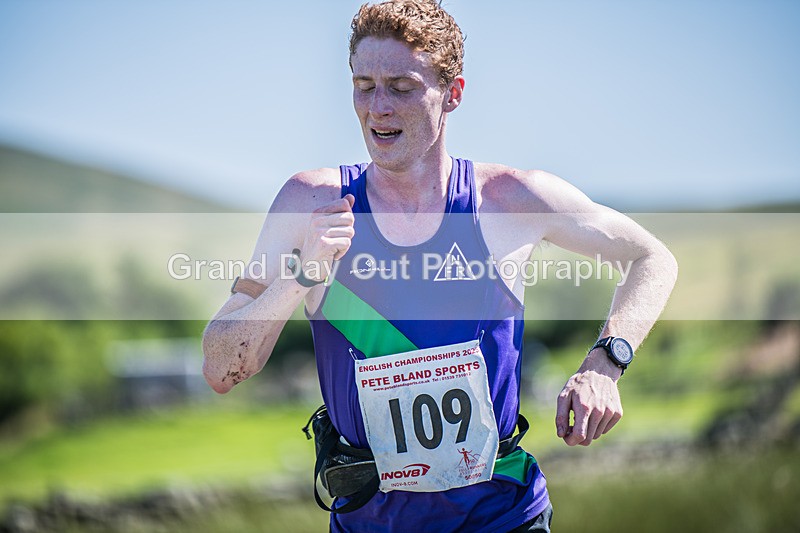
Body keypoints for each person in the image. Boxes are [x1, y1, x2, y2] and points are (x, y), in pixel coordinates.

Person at [202, 1, 678, 531]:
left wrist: (604, 366)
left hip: (503, 517)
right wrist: (304, 274)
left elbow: (651, 257)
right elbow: (221, 369)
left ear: (452, 94)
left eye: (401, 87)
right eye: (363, 85)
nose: (377, 107)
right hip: (369, 522)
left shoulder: (506, 201)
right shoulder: (308, 204)